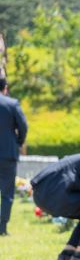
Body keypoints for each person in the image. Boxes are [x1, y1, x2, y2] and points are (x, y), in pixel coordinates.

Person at [0, 77, 29, 236]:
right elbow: (23, 126)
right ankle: (2, 227)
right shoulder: (12, 104)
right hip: (7, 154)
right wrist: (18, 142)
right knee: (7, 193)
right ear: (5, 88)